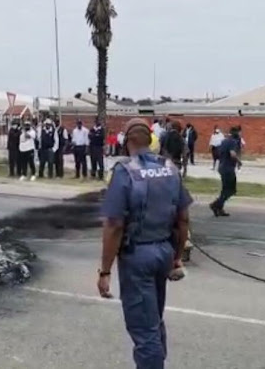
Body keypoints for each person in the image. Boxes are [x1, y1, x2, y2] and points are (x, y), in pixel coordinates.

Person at [98, 118, 192, 369]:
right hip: (163, 252)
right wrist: (176, 256)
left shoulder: (124, 171)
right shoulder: (169, 168)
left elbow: (114, 225)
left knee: (144, 328)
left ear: (127, 141)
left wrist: (105, 271)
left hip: (137, 256)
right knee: (154, 319)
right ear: (150, 140)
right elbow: (183, 220)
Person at [210, 126, 242, 217]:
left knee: (225, 189)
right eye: (240, 132)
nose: (241, 134)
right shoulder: (232, 141)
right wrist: (239, 162)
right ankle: (215, 205)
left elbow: (219, 152)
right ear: (236, 132)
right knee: (231, 190)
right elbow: (232, 154)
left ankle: (219, 208)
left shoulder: (224, 141)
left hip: (222, 167)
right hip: (228, 168)